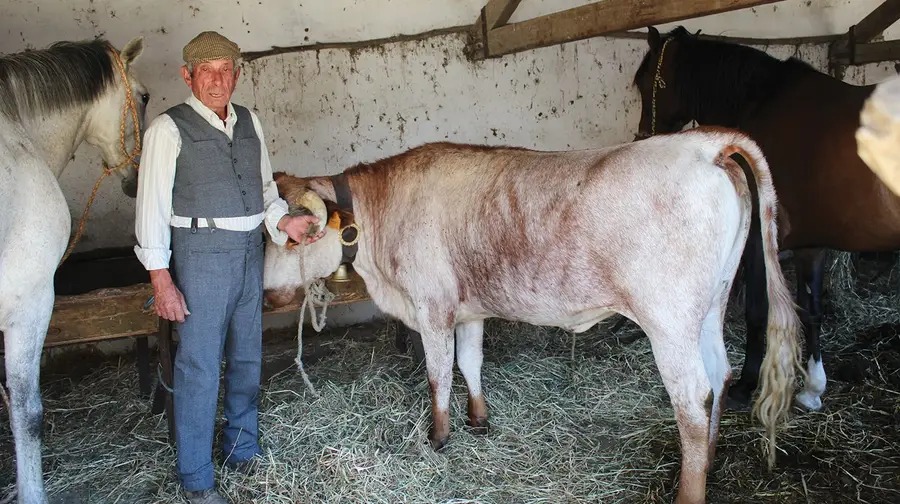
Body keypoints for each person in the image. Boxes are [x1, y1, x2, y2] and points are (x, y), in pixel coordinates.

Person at [133, 31, 323, 504]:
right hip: (199, 254)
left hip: (246, 252)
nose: (218, 81)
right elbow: (150, 211)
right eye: (207, 71)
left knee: (246, 357)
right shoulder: (167, 129)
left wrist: (287, 224)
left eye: (226, 70)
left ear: (236, 75)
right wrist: (161, 278)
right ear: (188, 76)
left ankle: (242, 449)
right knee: (198, 365)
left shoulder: (249, 123)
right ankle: (197, 478)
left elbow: (263, 195)